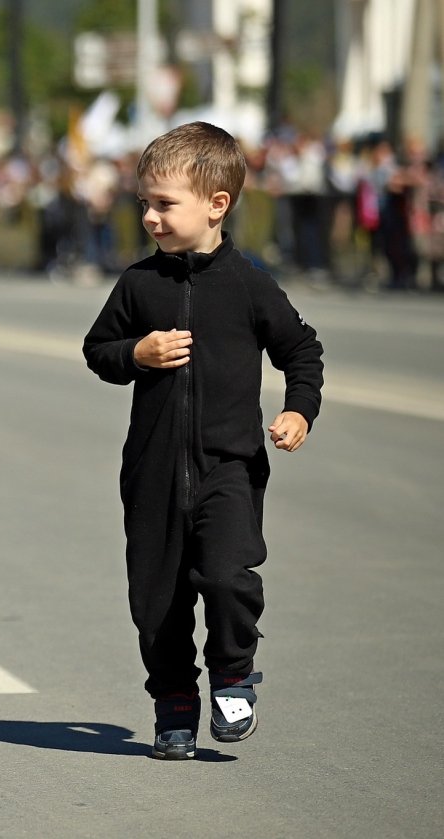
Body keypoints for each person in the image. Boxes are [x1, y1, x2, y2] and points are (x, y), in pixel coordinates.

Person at [82, 122, 324, 760]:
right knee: (156, 602)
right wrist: (137, 350)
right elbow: (97, 351)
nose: (150, 217)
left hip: (230, 466)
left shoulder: (247, 284)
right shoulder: (138, 284)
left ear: (217, 204)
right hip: (154, 473)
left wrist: (299, 411)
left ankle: (234, 674)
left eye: (165, 204)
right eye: (145, 203)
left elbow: (301, 349)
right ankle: (174, 707)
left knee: (226, 577)